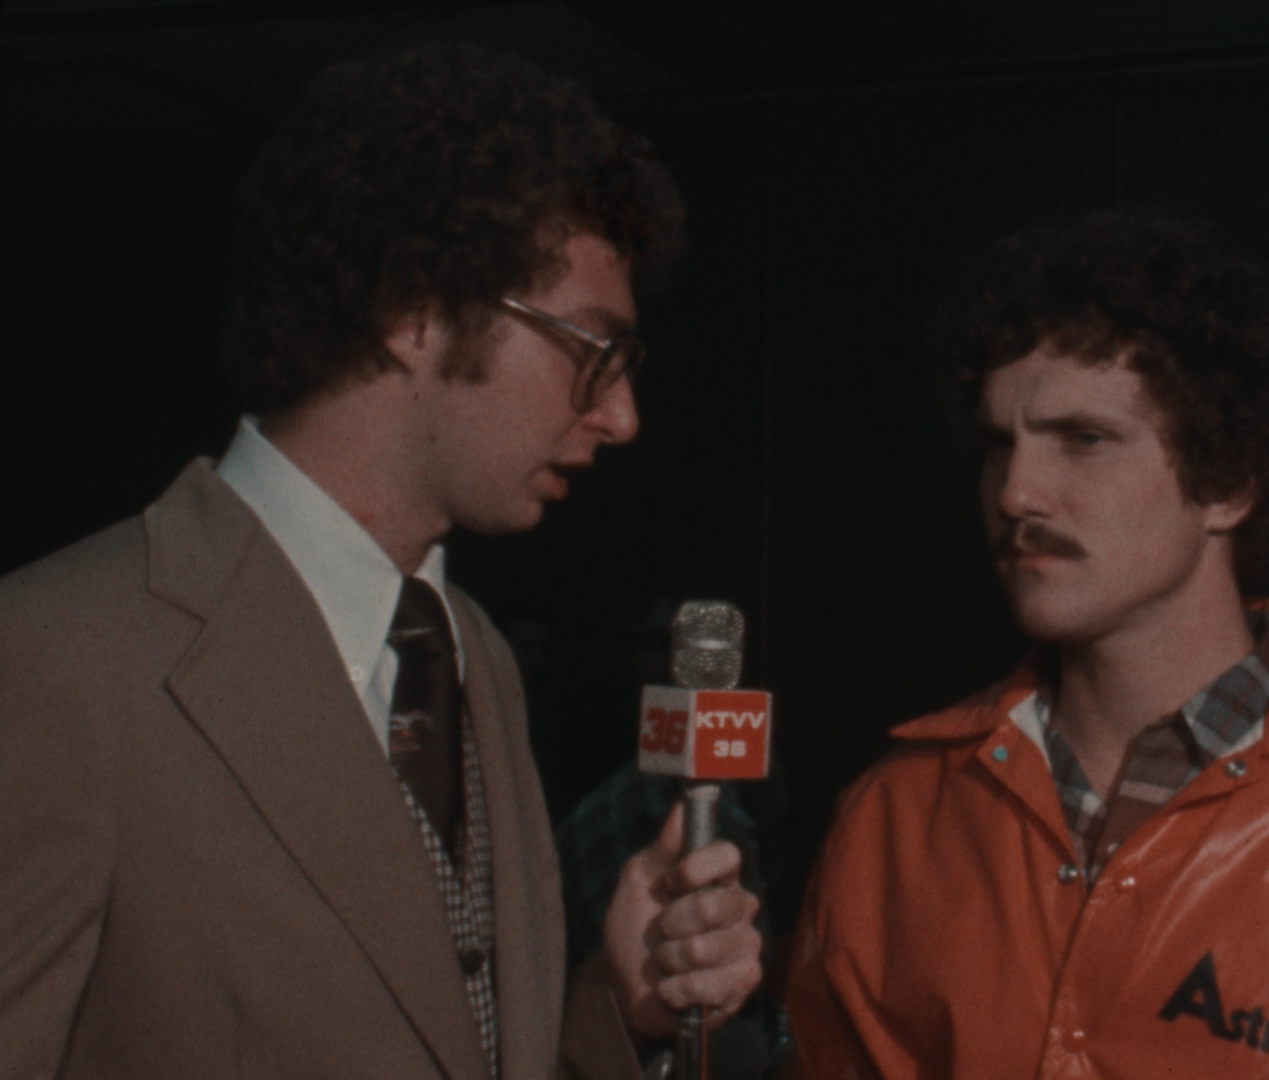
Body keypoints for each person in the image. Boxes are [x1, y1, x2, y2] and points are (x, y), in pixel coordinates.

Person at [0, 44, 760, 1080]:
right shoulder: (55, 661)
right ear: (413, 310)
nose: (622, 415)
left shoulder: (477, 655)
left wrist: (618, 1010)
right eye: (592, 351)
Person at [785, 210, 1269, 1078]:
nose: (1016, 493)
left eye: (1084, 441)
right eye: (998, 446)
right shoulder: (893, 815)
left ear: (1229, 480)